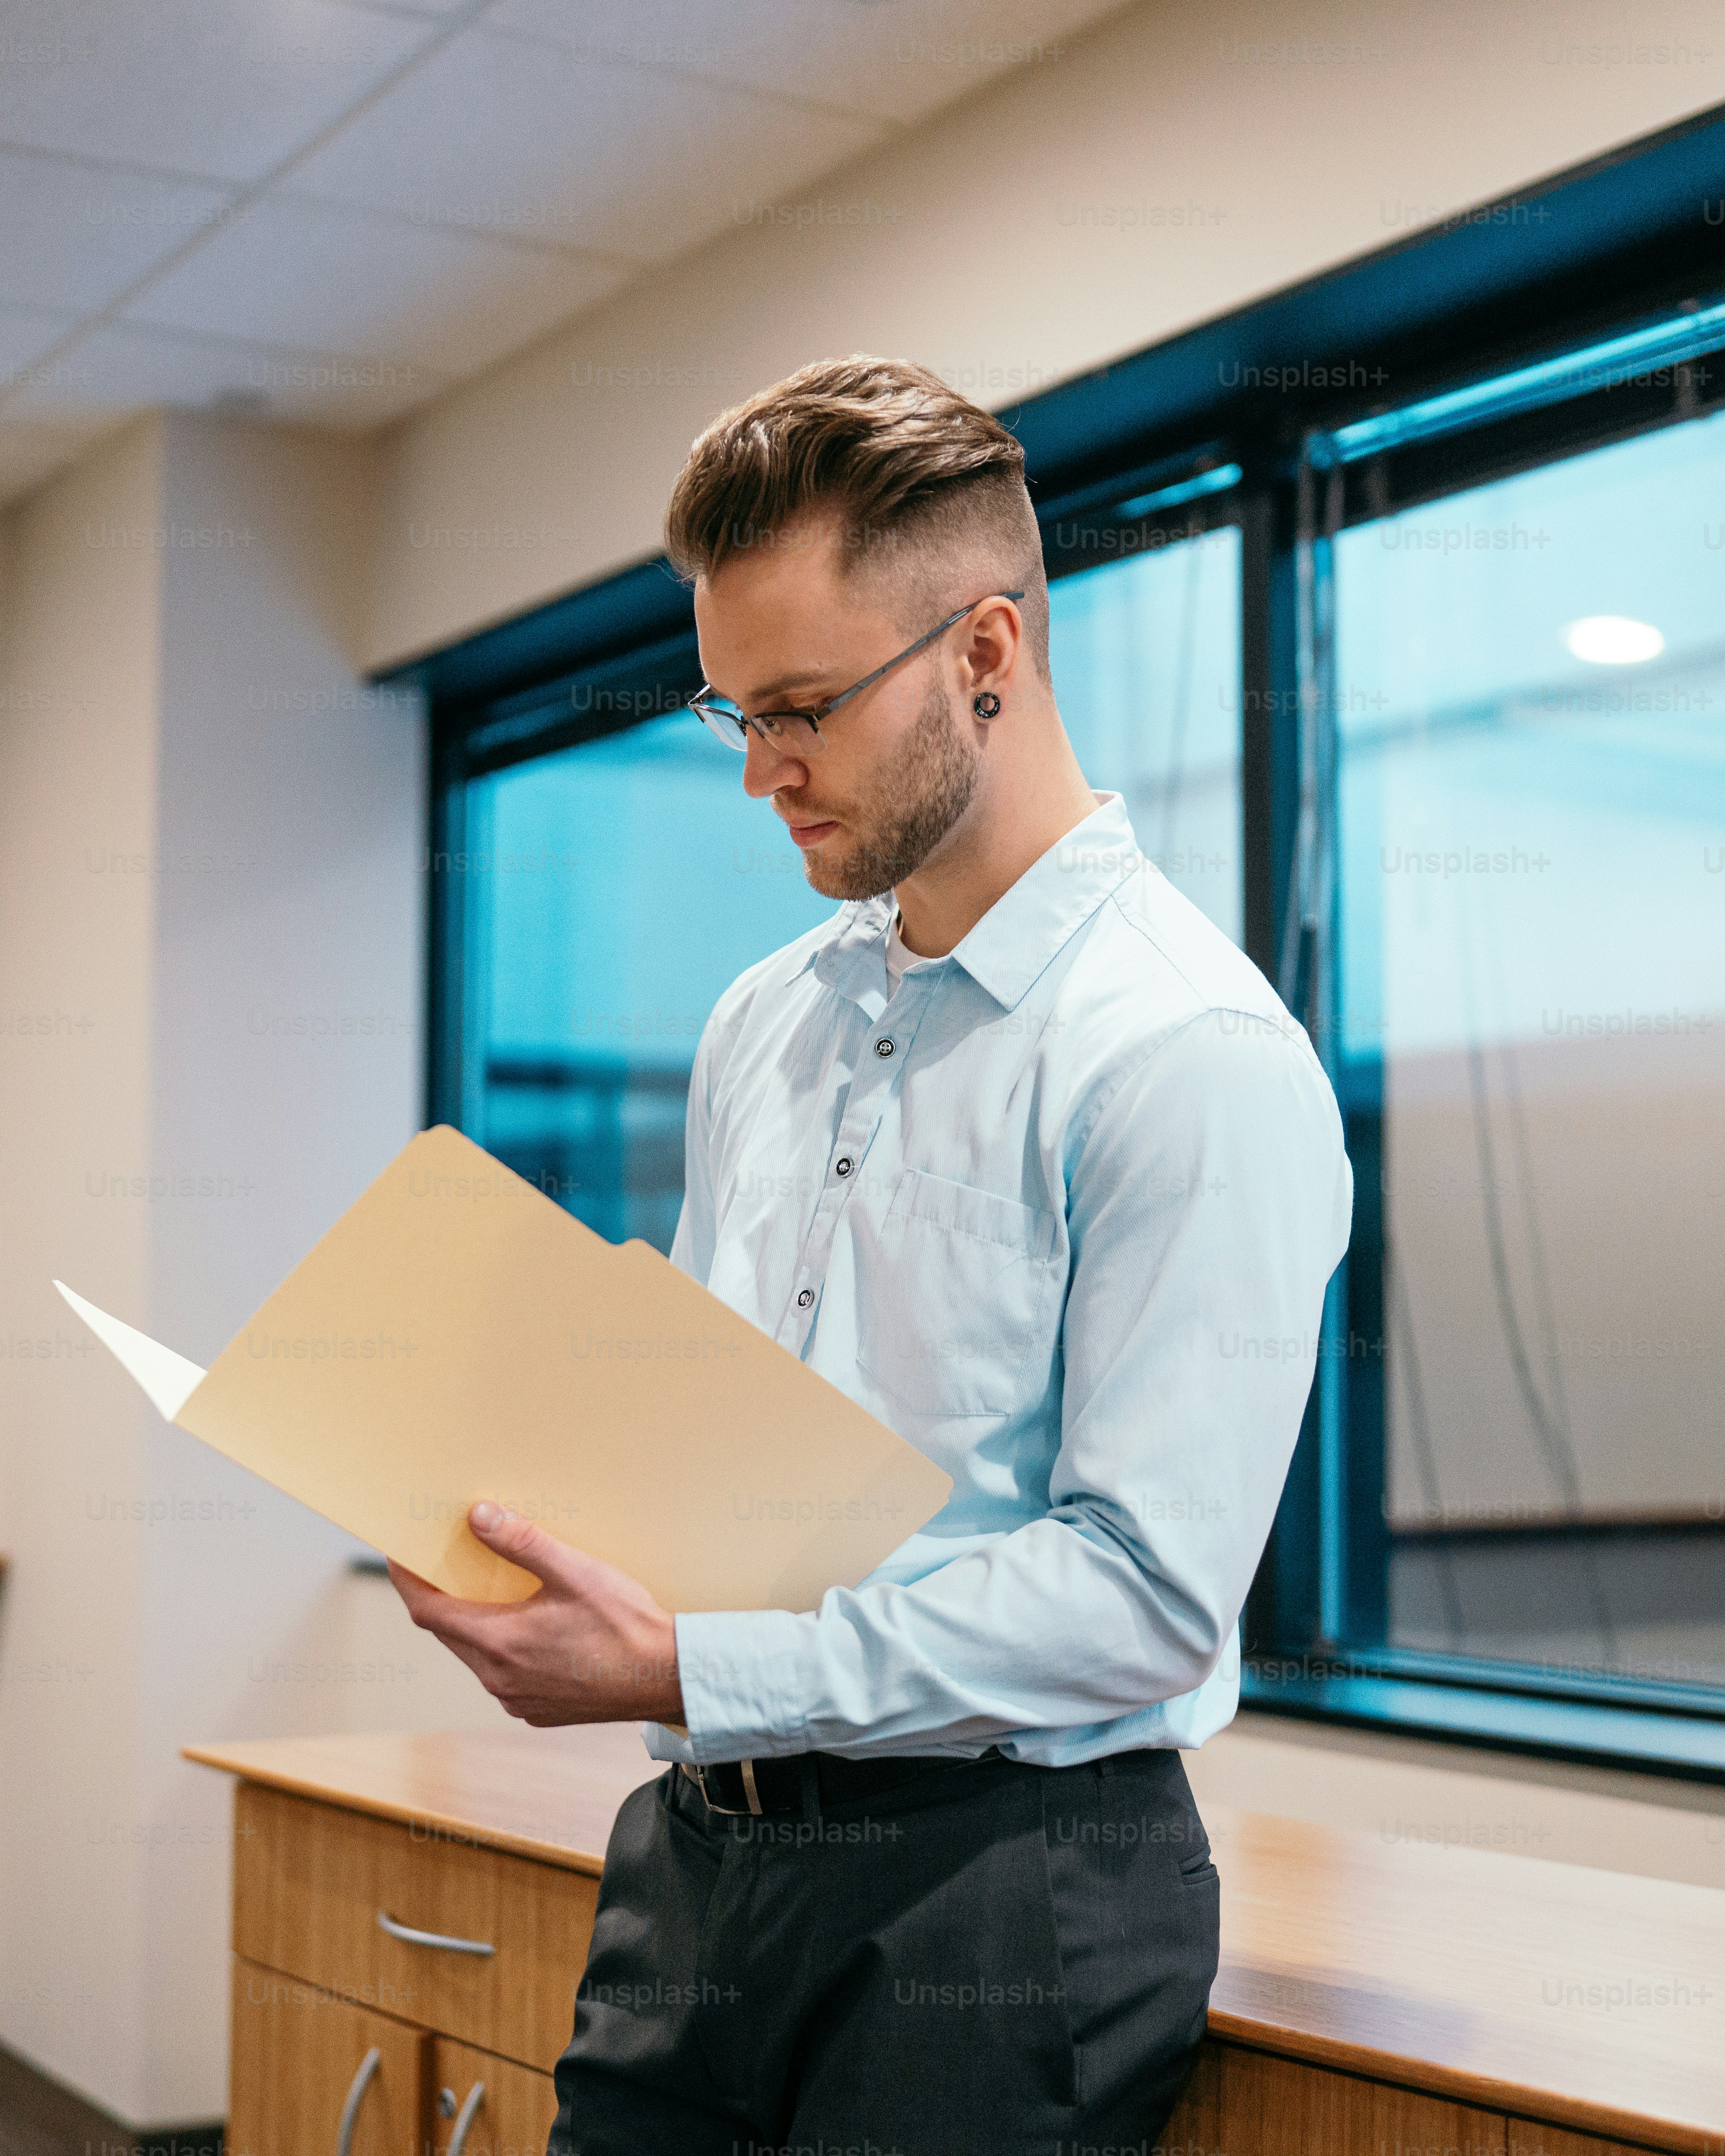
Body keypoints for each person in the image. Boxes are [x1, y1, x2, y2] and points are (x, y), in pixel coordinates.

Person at [388, 354, 1353, 2154]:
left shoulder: (1188, 1059)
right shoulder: (767, 1021)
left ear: (985, 657)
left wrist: (685, 1664)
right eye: (730, 713)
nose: (759, 774)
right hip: (695, 1868)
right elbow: (716, 1453)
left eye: (803, 708)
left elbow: (1141, 1597)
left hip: (994, 1894)